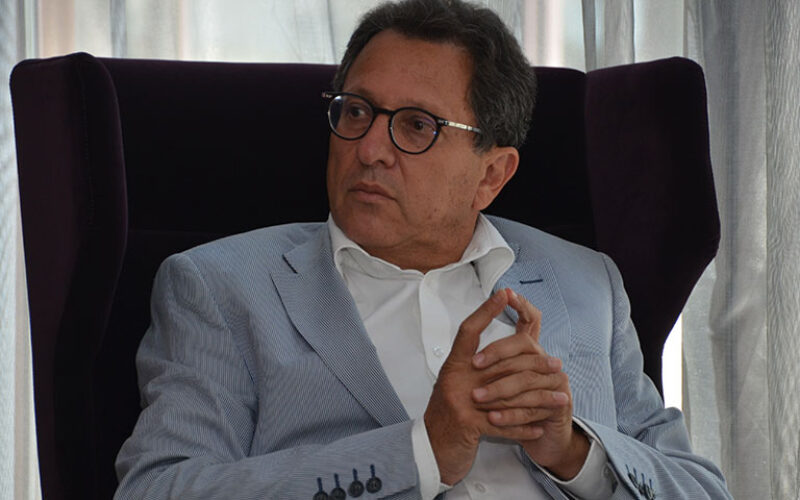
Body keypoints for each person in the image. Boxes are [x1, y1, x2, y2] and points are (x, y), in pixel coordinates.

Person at [114, 0, 732, 499]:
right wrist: (421, 451)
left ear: (492, 175)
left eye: (416, 125)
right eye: (356, 111)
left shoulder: (585, 282)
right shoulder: (220, 287)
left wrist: (574, 451)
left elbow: (701, 490)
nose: (368, 149)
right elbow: (158, 489)